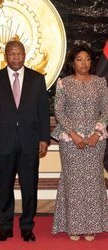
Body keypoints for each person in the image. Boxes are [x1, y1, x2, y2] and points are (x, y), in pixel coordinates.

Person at [0, 40, 50, 242]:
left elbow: (43, 112)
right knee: (4, 186)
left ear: (24, 55)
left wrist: (44, 138)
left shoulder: (37, 79)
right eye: (12, 54)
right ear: (6, 56)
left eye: (19, 53)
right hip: (3, 142)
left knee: (30, 187)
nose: (16, 57)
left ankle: (27, 227)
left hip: (30, 142)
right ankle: (5, 227)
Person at [51, 44, 108, 241]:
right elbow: (59, 111)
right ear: (72, 62)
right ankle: (74, 226)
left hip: (96, 140)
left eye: (87, 59)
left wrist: (96, 133)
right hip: (69, 140)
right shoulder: (63, 83)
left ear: (92, 62)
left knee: (93, 181)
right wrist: (73, 134)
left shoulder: (100, 83)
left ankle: (91, 226)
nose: (84, 63)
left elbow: (106, 110)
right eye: (79, 59)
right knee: (73, 182)